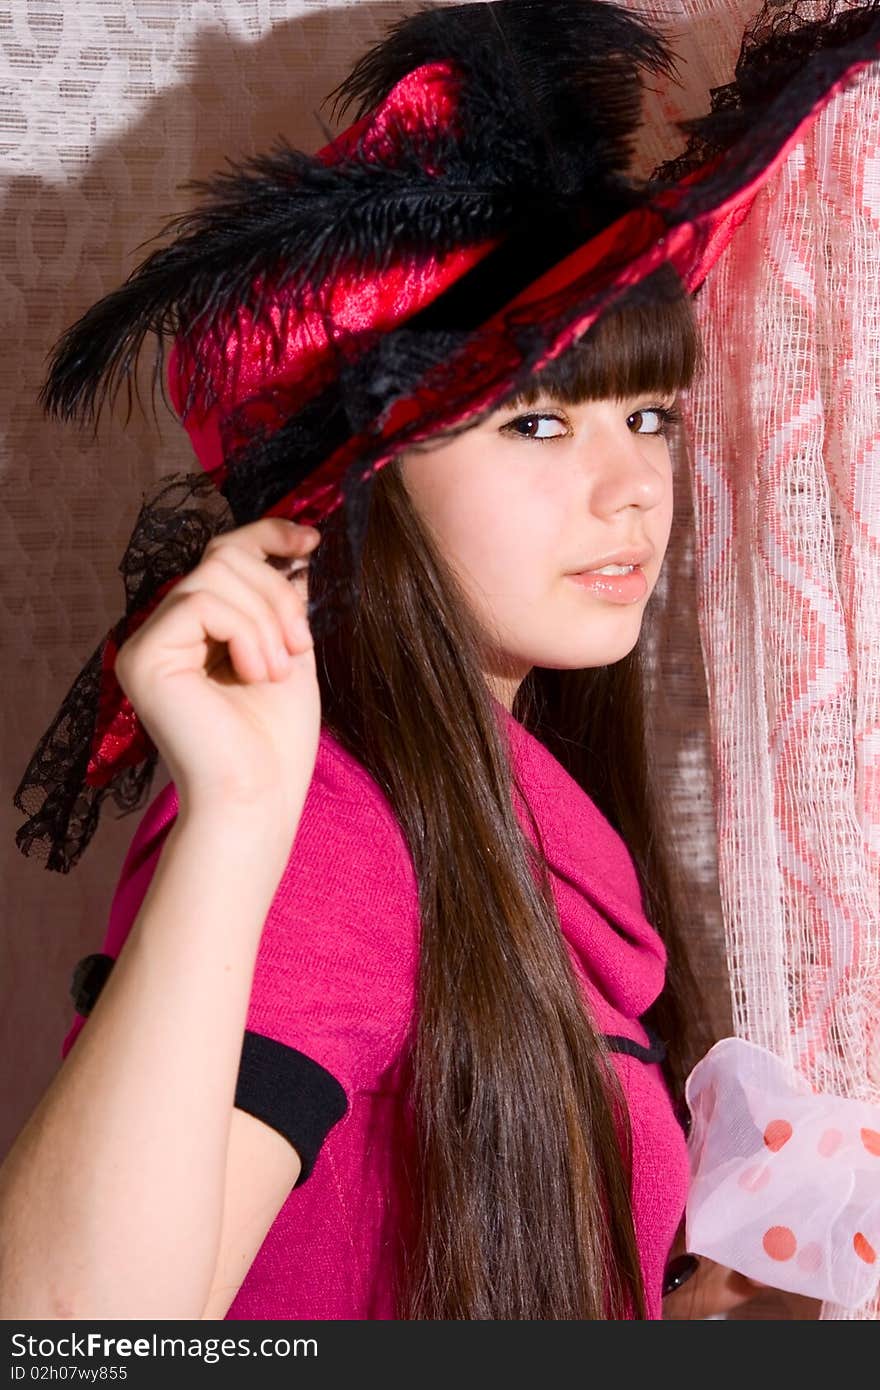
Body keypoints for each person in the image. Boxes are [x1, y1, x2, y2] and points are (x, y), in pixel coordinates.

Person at [4, 0, 878, 1322]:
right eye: (534, 423)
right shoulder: (332, 825)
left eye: (646, 412)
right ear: (368, 489)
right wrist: (241, 818)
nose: (632, 487)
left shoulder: (529, 832)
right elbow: (76, 1333)